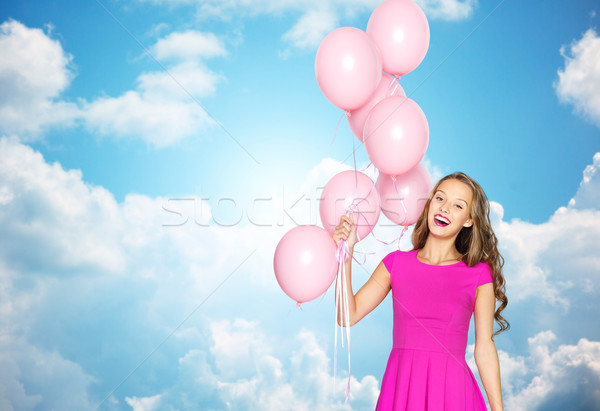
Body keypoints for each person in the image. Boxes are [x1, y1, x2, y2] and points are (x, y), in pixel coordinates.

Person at [333, 172, 508, 411]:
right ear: (429, 205)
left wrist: (498, 409)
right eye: (440, 198)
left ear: (469, 220)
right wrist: (346, 252)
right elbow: (347, 316)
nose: (445, 208)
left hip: (452, 392)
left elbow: (485, 347)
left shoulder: (478, 274)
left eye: (458, 205)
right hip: (401, 388)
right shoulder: (395, 264)